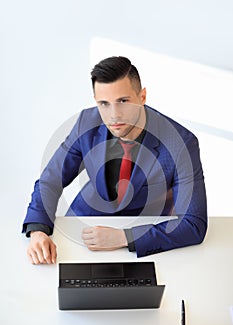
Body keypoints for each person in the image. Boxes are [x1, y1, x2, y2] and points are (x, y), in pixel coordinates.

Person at [22, 56, 207, 264]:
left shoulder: (181, 143)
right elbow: (51, 179)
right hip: (85, 223)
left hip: (147, 230)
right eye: (104, 103)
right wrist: (38, 231)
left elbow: (193, 224)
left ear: (142, 97)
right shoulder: (86, 123)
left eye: (123, 101)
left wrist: (124, 237)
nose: (114, 115)